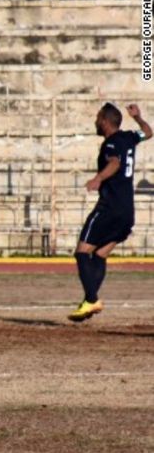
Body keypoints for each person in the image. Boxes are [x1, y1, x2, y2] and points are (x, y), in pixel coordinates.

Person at [69, 103, 150, 322]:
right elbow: (148, 132)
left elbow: (115, 162)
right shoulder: (128, 137)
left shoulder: (112, 143)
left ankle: (91, 299)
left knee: (82, 252)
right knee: (100, 254)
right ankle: (89, 301)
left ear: (105, 121)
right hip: (126, 212)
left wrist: (98, 178)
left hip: (109, 208)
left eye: (97, 118)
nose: (96, 122)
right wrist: (138, 117)